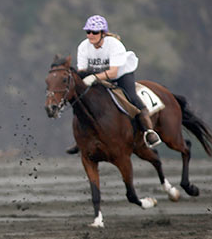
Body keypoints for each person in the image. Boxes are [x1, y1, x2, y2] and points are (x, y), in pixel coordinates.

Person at [66, 15, 161, 154]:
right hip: (97, 76)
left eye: (95, 32)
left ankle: (148, 131)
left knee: (131, 97)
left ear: (103, 33)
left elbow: (113, 73)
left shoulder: (114, 45)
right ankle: (81, 137)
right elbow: (82, 71)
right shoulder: (83, 46)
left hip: (121, 75)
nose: (90, 35)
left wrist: (93, 77)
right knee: (82, 100)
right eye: (88, 32)